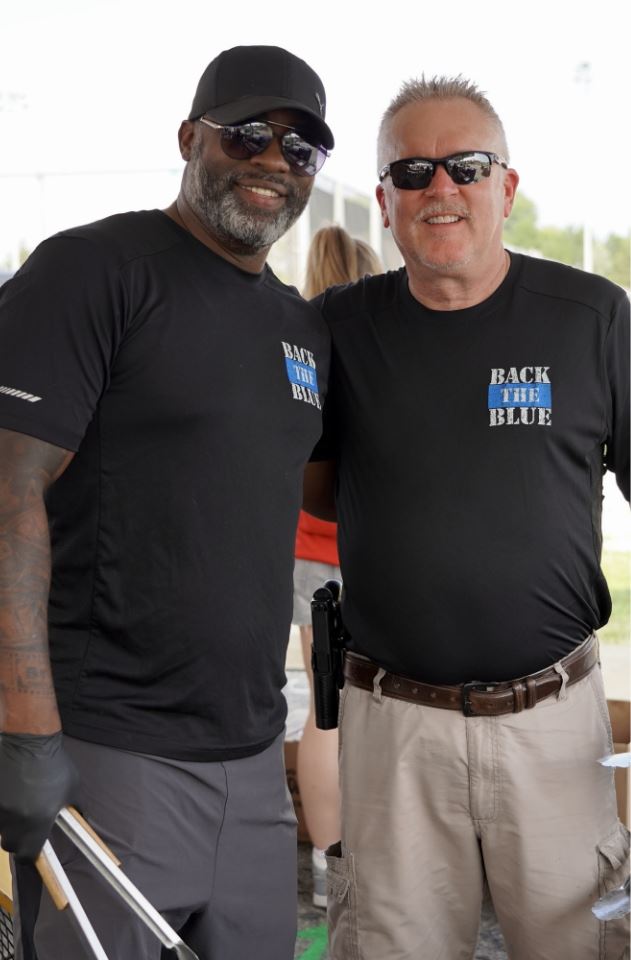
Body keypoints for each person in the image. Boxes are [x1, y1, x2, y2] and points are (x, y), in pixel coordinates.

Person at [0, 44, 334, 960]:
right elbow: (7, 492)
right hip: (110, 758)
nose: (274, 161)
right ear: (190, 138)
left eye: (300, 148)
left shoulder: (301, 327)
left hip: (253, 761)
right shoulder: (93, 270)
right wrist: (24, 734)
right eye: (248, 135)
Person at [304, 75, 630, 960]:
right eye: (411, 171)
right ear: (383, 200)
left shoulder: (592, 317)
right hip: (393, 727)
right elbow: (316, 488)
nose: (439, 187)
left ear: (506, 187)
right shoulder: (334, 329)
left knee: (578, 948)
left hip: (553, 720)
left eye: (467, 166)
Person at [292, 225, 382, 908]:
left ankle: (331, 869)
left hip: (305, 547)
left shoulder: (297, 345)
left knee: (325, 710)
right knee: (379, 708)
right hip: (373, 544)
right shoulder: (379, 341)